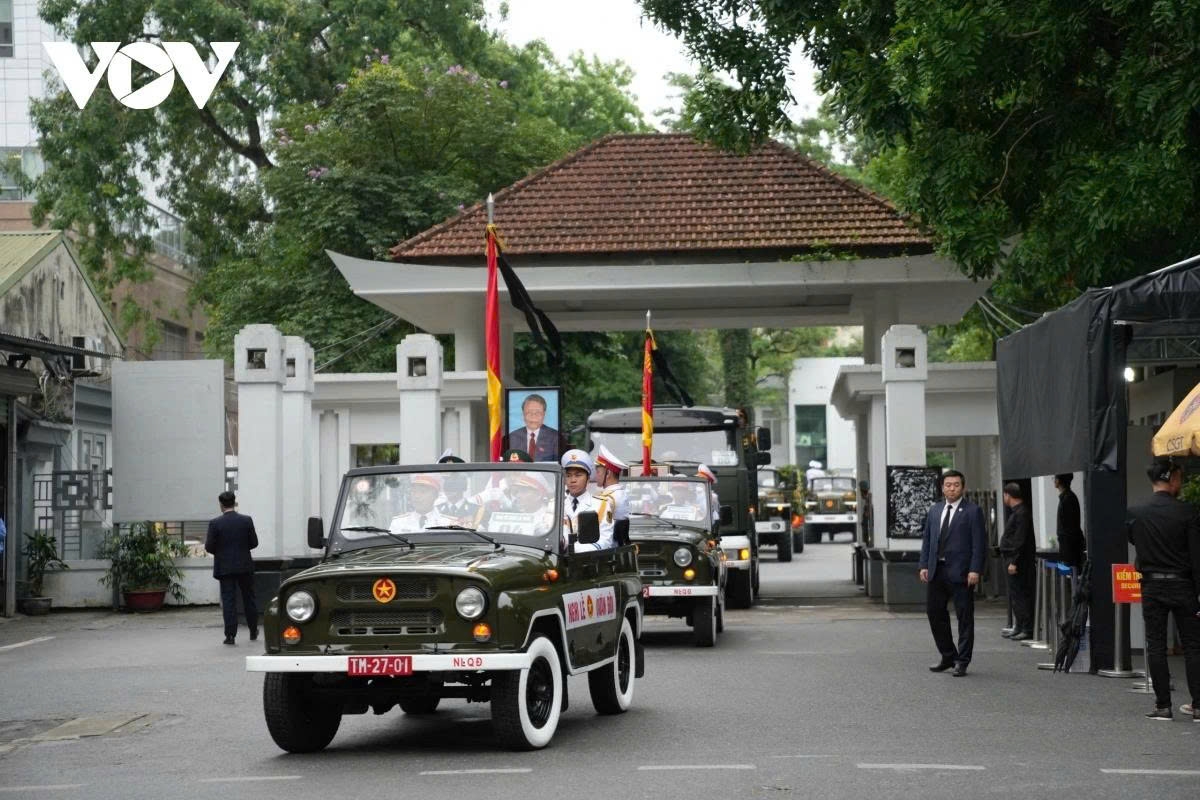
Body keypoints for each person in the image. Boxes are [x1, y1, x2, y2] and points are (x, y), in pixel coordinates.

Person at [1125, 458, 1200, 722]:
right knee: (1193, 645)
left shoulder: (1135, 512)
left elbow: (1134, 538)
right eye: (1179, 478)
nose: (1180, 483)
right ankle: (1198, 704)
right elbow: (1196, 556)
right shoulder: (1188, 512)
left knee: (1155, 644)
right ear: (1171, 479)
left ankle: (1163, 705)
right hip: (1183, 584)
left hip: (1152, 584)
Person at [918, 470, 988, 677]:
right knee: (934, 613)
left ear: (963, 488)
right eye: (948, 485)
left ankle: (963, 661)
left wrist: (975, 569)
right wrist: (924, 565)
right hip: (936, 571)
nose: (952, 488)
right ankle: (948, 655)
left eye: (956, 485)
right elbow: (928, 540)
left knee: (964, 618)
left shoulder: (973, 511)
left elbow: (979, 543)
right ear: (942, 487)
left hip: (962, 573)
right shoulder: (935, 510)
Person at [205, 491, 259, 646]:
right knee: (249, 598)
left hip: (225, 567)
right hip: (244, 566)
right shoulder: (246, 521)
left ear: (221, 505)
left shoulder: (215, 523)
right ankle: (253, 630)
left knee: (229, 600)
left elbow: (209, 547)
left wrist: (222, 552)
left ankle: (230, 635)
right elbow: (254, 543)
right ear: (234, 503)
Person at [999, 483, 1036, 641]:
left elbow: (1020, 539)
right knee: (1016, 594)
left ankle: (1026, 628)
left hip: (1018, 561)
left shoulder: (1021, 513)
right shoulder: (1018, 512)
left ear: (1008, 495)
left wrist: (1014, 561)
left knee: (1021, 594)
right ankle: (1019, 625)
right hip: (1014, 558)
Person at [503, 393, 566, 462]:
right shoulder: (511, 438)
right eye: (529, 412)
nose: (533, 416)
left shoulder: (556, 437)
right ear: (523, 414)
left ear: (544, 414)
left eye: (538, 413)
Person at [561, 449, 602, 544]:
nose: (572, 480)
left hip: (587, 557)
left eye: (578, 475)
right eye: (568, 475)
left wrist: (573, 551)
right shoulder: (554, 504)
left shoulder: (601, 505)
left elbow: (603, 541)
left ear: (588, 479)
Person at [1055, 473, 1085, 569]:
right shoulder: (1067, 497)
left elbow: (1070, 527)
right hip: (1067, 546)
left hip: (1069, 548)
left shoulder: (1068, 499)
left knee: (1070, 576)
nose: (1054, 481)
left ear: (1058, 481)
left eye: (1054, 478)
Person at [594, 445, 630, 524]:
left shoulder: (609, 498)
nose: (595, 476)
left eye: (598, 472)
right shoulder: (621, 493)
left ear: (608, 473)